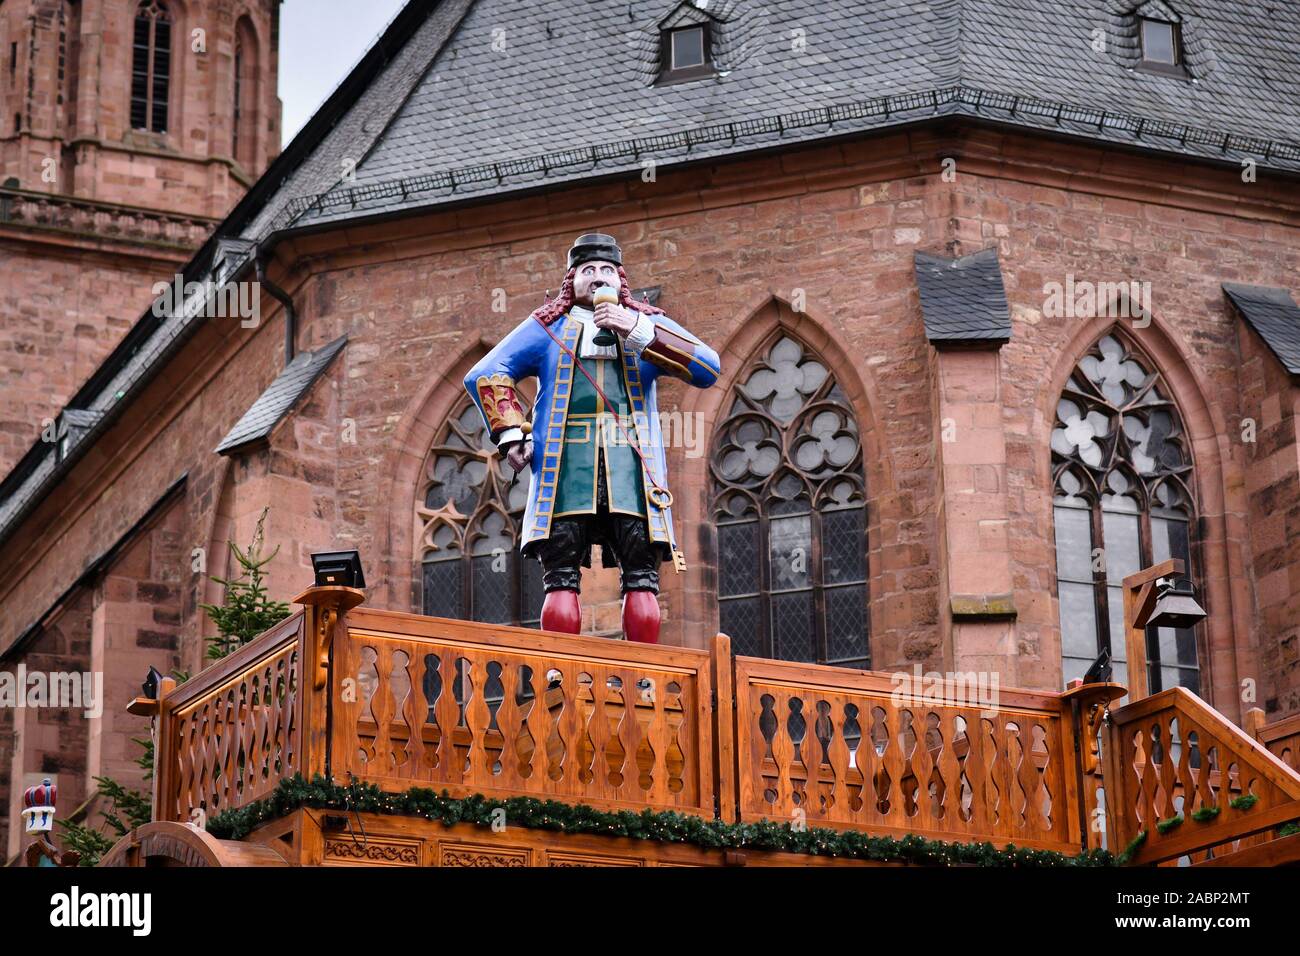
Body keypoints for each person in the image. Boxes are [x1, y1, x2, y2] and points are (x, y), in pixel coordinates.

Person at [464, 233, 720, 642]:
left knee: (641, 570)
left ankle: (643, 671)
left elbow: (708, 367)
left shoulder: (645, 322)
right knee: (560, 570)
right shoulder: (547, 328)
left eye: (606, 271)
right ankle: (559, 669)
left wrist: (638, 330)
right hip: (566, 470)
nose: (598, 279)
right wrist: (513, 434)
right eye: (588, 271)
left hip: (632, 471)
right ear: (572, 281)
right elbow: (486, 373)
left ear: (621, 281)